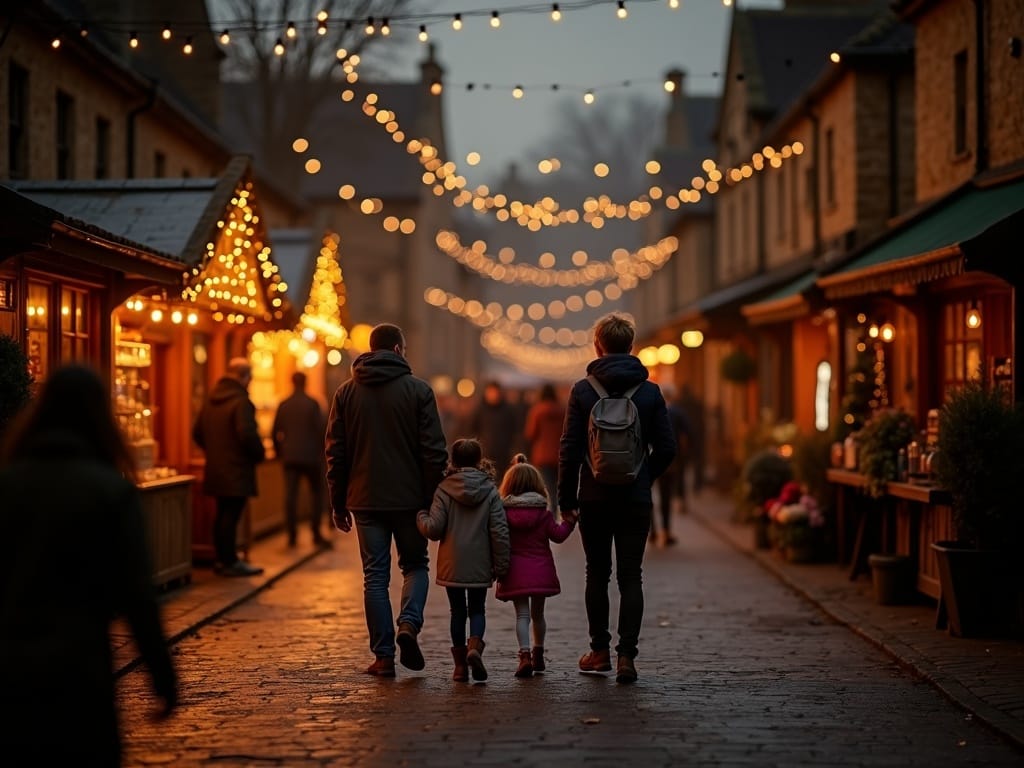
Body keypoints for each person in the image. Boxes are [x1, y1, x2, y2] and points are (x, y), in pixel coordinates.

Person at [0, 365, 178, 765]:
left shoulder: (8, 485)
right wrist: (162, 675)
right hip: (78, 665)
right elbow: (137, 594)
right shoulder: (109, 489)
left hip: (10, 665)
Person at [558, 313, 676, 684]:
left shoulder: (582, 390)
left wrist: (566, 499)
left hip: (593, 496)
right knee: (630, 576)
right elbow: (668, 447)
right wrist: (643, 475)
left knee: (597, 573)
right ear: (631, 347)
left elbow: (570, 448)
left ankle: (599, 652)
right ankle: (627, 656)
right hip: (634, 498)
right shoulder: (650, 392)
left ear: (598, 346)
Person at [326, 323, 448, 677]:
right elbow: (434, 452)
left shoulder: (346, 393)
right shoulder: (419, 391)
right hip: (411, 500)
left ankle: (383, 656)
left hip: (364, 500)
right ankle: (408, 623)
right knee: (415, 566)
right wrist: (431, 498)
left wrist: (337, 502)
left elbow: (335, 453)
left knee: (374, 576)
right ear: (398, 350)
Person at [417, 438, 509, 682]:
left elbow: (434, 529)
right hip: (480, 562)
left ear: (453, 460)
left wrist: (421, 516)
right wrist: (501, 565)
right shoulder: (490, 490)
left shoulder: (444, 489)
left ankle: (459, 667)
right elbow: (499, 530)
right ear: (479, 460)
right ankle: (474, 649)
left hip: (453, 563)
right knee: (477, 609)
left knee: (457, 611)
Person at [496, 454, 576, 678]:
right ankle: (538, 654)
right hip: (540, 571)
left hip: (516, 572)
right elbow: (558, 536)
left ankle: (524, 657)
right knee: (538, 615)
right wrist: (570, 522)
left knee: (522, 615)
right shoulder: (543, 513)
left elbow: (498, 538)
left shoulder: (503, 513)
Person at [193, 357, 266, 577]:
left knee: (222, 514)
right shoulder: (241, 401)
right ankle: (230, 561)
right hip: (237, 469)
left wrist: (214, 452)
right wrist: (258, 454)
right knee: (231, 516)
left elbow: (196, 433)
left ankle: (221, 560)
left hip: (216, 467)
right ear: (243, 377)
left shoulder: (211, 398)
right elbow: (247, 434)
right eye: (250, 378)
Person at [272, 371, 331, 549]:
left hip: (290, 457)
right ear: (305, 383)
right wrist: (323, 453)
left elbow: (275, 432)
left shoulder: (284, 404)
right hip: (311, 457)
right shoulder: (313, 404)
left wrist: (280, 452)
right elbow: (322, 431)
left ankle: (291, 535)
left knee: (290, 496)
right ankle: (316, 533)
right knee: (316, 494)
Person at [651, 384, 692, 547]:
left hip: (648, 457)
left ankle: (652, 530)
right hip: (669, 460)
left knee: (647, 495)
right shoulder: (677, 412)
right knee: (666, 495)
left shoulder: (651, 409)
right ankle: (666, 531)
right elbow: (689, 433)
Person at [524, 382, 565, 510]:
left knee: (545, 486)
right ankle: (558, 509)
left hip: (542, 455)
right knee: (558, 485)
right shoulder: (563, 410)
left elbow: (530, 433)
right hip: (560, 454)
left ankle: (548, 513)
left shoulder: (537, 411)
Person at [469, 379, 521, 476]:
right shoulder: (480, 410)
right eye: (491, 392)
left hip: (503, 455)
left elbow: (514, 431)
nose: (493, 395)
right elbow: (473, 430)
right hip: (485, 455)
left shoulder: (508, 410)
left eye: (495, 392)